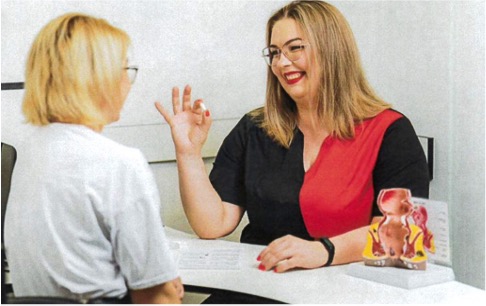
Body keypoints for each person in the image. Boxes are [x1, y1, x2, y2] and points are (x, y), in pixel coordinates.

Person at [156, 0, 429, 301]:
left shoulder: (390, 132)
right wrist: (188, 154)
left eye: (294, 48)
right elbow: (213, 223)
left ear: (332, 49)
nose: (281, 63)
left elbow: (399, 235)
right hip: (260, 287)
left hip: (346, 291)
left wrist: (323, 251)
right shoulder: (254, 128)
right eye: (274, 53)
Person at [4, 13, 183, 304]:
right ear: (99, 77)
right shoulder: (119, 163)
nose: (128, 81)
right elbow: (155, 297)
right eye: (126, 69)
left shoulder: (28, 154)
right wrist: (162, 287)